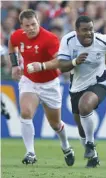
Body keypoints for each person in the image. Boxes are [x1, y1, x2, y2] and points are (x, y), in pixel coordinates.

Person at [57, 15, 106, 168]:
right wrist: (74, 62)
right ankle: (93, 157)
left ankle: (90, 144)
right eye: (84, 30)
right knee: (80, 126)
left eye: (91, 29)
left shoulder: (103, 40)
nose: (89, 33)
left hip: (99, 82)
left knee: (85, 106)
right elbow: (62, 66)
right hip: (76, 86)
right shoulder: (68, 41)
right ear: (76, 31)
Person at [8, 9, 73, 166]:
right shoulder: (17, 35)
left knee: (55, 124)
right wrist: (15, 66)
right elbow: (12, 44)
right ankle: (30, 152)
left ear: (38, 22)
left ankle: (66, 146)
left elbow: (59, 61)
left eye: (33, 24)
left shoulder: (49, 39)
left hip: (49, 84)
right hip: (29, 81)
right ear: (22, 25)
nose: (31, 28)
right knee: (25, 112)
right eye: (27, 25)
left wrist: (42, 66)